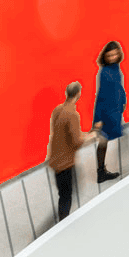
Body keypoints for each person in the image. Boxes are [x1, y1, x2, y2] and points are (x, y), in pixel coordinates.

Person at [47, 81, 98, 220]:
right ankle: (63, 222)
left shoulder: (57, 110)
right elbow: (77, 141)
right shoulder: (73, 114)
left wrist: (83, 135)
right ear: (78, 94)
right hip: (65, 162)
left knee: (63, 193)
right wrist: (91, 136)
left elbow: (64, 133)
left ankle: (62, 217)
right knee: (66, 196)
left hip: (55, 158)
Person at [92, 42, 129, 182]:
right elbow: (101, 96)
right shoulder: (104, 72)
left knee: (104, 141)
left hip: (115, 111)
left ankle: (101, 171)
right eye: (110, 55)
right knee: (103, 141)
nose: (113, 57)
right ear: (105, 56)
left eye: (115, 54)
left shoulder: (115, 67)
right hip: (107, 114)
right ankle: (101, 172)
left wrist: (123, 100)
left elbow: (119, 86)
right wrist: (98, 119)